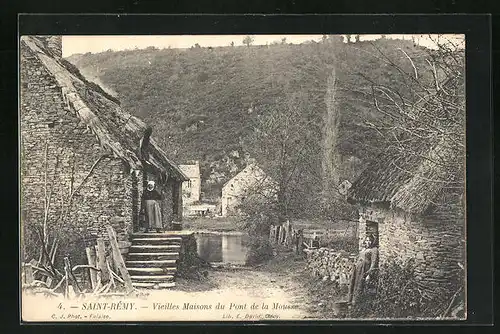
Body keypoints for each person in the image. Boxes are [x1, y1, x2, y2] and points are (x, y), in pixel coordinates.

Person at [347, 234, 379, 306]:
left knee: (360, 285)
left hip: (364, 270)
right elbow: (359, 257)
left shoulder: (374, 250)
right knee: (354, 284)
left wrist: (369, 274)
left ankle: (358, 304)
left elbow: (373, 263)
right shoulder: (364, 249)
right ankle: (351, 302)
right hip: (357, 269)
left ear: (373, 241)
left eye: (370, 241)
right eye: (367, 240)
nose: (368, 242)